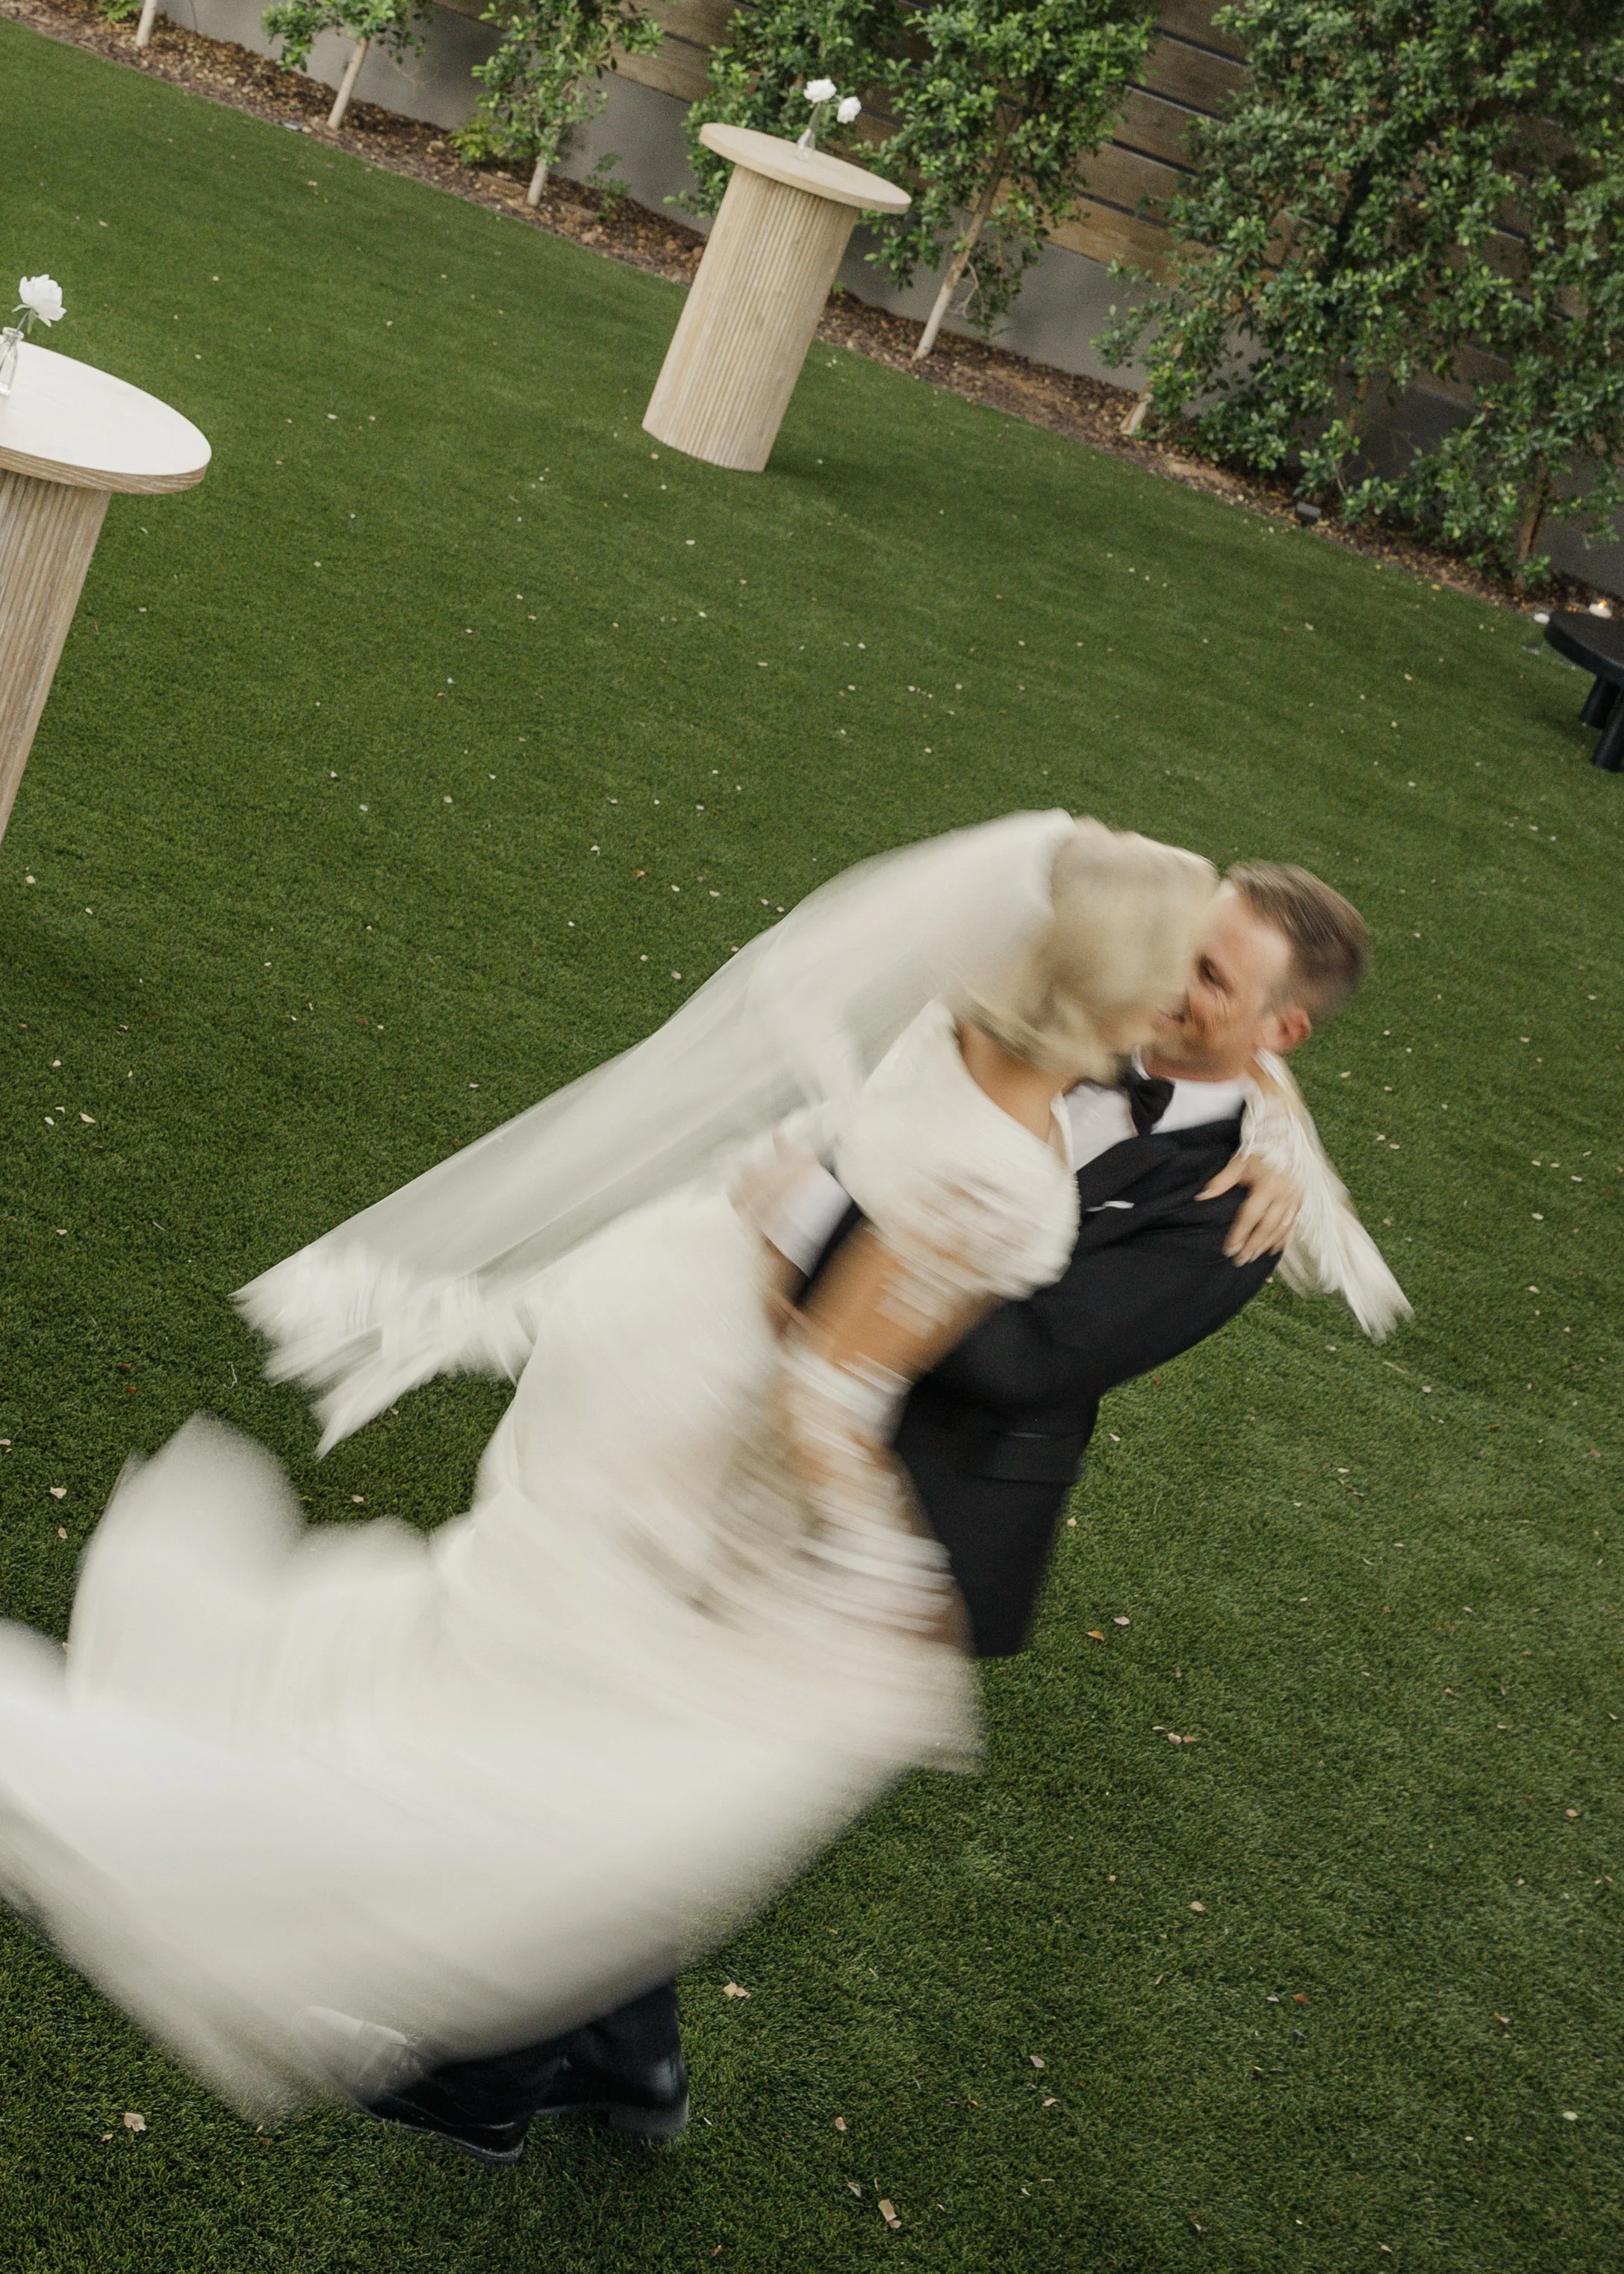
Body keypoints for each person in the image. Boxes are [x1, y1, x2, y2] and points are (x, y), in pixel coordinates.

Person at [0, 814, 1402, 2160]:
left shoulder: (1229, 1198)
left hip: (908, 1465)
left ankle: (589, 2048)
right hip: (760, 1426)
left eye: (1210, 985)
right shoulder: (1084, 993)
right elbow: (1033, 985)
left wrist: (1252, 1128)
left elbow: (1035, 1359)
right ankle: (494, 2062)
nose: (1173, 993)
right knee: (620, 1739)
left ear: (1277, 1037)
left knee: (646, 1748)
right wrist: (826, 1264)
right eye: (1184, 955)